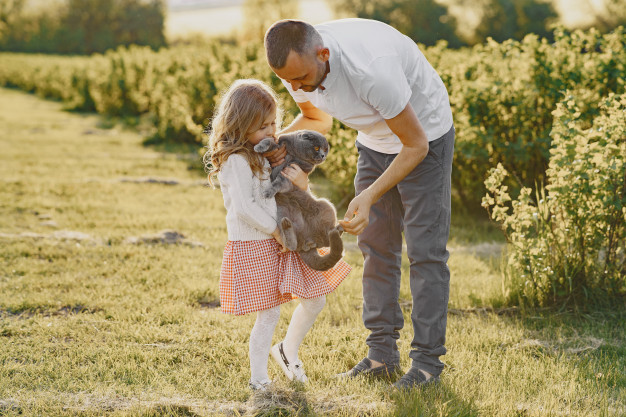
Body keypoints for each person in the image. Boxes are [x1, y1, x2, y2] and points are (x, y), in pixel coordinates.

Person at [263, 19, 454, 389]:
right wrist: (271, 148)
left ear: (324, 55)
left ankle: (427, 364)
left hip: (424, 138)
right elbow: (318, 119)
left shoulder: (372, 70)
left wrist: (369, 195)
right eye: (289, 81)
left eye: (301, 78)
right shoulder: (297, 68)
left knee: (425, 252)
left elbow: (415, 145)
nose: (296, 88)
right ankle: (381, 356)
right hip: (375, 142)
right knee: (375, 247)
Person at [205, 79, 351, 391]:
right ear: (240, 125)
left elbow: (285, 196)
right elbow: (245, 207)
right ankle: (259, 380)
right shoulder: (236, 160)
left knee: (316, 299)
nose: (272, 131)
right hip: (258, 243)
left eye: (274, 123)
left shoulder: (268, 153)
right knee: (269, 314)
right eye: (263, 126)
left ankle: (287, 349)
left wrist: (302, 185)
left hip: (284, 240)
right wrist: (276, 232)